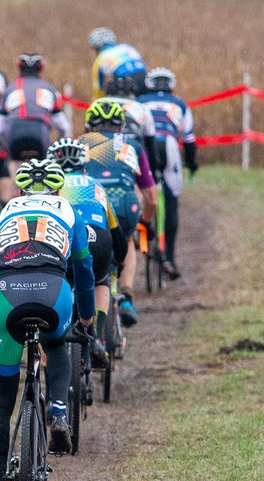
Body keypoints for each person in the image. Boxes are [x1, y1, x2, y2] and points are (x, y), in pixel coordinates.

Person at [0, 160, 95, 481]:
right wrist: (86, 320)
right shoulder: (69, 211)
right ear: (57, 190)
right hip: (53, 293)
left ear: (20, 191)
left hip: (6, 299)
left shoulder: (5, 213)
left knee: (0, 400)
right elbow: (85, 271)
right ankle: (58, 409)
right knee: (59, 342)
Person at [49, 137, 130, 362]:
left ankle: (54, 335)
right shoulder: (95, 185)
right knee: (100, 279)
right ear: (81, 164)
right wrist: (119, 261)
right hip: (98, 239)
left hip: (63, 239)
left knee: (59, 280)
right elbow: (116, 230)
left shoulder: (53, 186)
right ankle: (97, 336)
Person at [82, 99, 156, 325]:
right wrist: (144, 223)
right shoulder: (133, 146)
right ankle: (126, 297)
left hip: (90, 203)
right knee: (128, 240)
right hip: (125, 203)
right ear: (121, 127)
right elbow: (151, 197)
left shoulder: (79, 143)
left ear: (89, 127)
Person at [139, 67, 196, 279]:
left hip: (146, 145)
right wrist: (192, 163)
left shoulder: (141, 101)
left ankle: (143, 241)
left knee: (145, 192)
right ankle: (170, 258)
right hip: (170, 145)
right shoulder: (179, 103)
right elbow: (189, 139)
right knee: (172, 199)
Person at [0, 53, 72, 201]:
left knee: (15, 167)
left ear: (19, 69)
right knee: (46, 168)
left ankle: (9, 205)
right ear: (41, 69)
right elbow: (63, 126)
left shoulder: (10, 88)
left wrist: (6, 146)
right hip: (39, 131)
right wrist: (58, 145)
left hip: (14, 130)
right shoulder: (49, 88)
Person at [87, 27, 146, 100]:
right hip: (144, 77)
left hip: (125, 82)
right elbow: (142, 65)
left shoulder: (100, 58)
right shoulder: (127, 47)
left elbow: (98, 89)